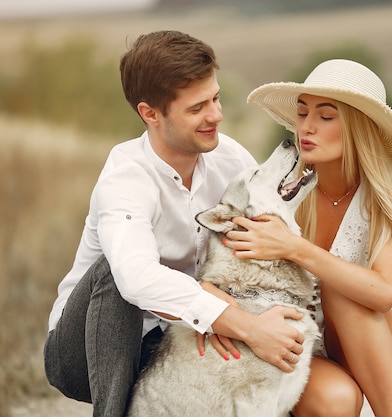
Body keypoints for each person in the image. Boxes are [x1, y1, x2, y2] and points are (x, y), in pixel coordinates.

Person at [43, 30, 306, 417]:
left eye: (215, 99)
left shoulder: (230, 159)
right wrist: (240, 323)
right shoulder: (125, 177)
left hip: (176, 342)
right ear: (150, 113)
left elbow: (275, 217)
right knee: (116, 273)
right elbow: (136, 278)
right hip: (85, 350)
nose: (215, 115)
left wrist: (365, 280)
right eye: (197, 107)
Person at [223, 59, 392, 416]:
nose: (306, 127)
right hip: (294, 342)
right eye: (303, 113)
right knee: (338, 401)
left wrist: (295, 247)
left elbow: (383, 292)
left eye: (325, 116)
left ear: (356, 127)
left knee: (345, 291)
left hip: (364, 337)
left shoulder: (383, 197)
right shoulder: (280, 190)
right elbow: (230, 269)